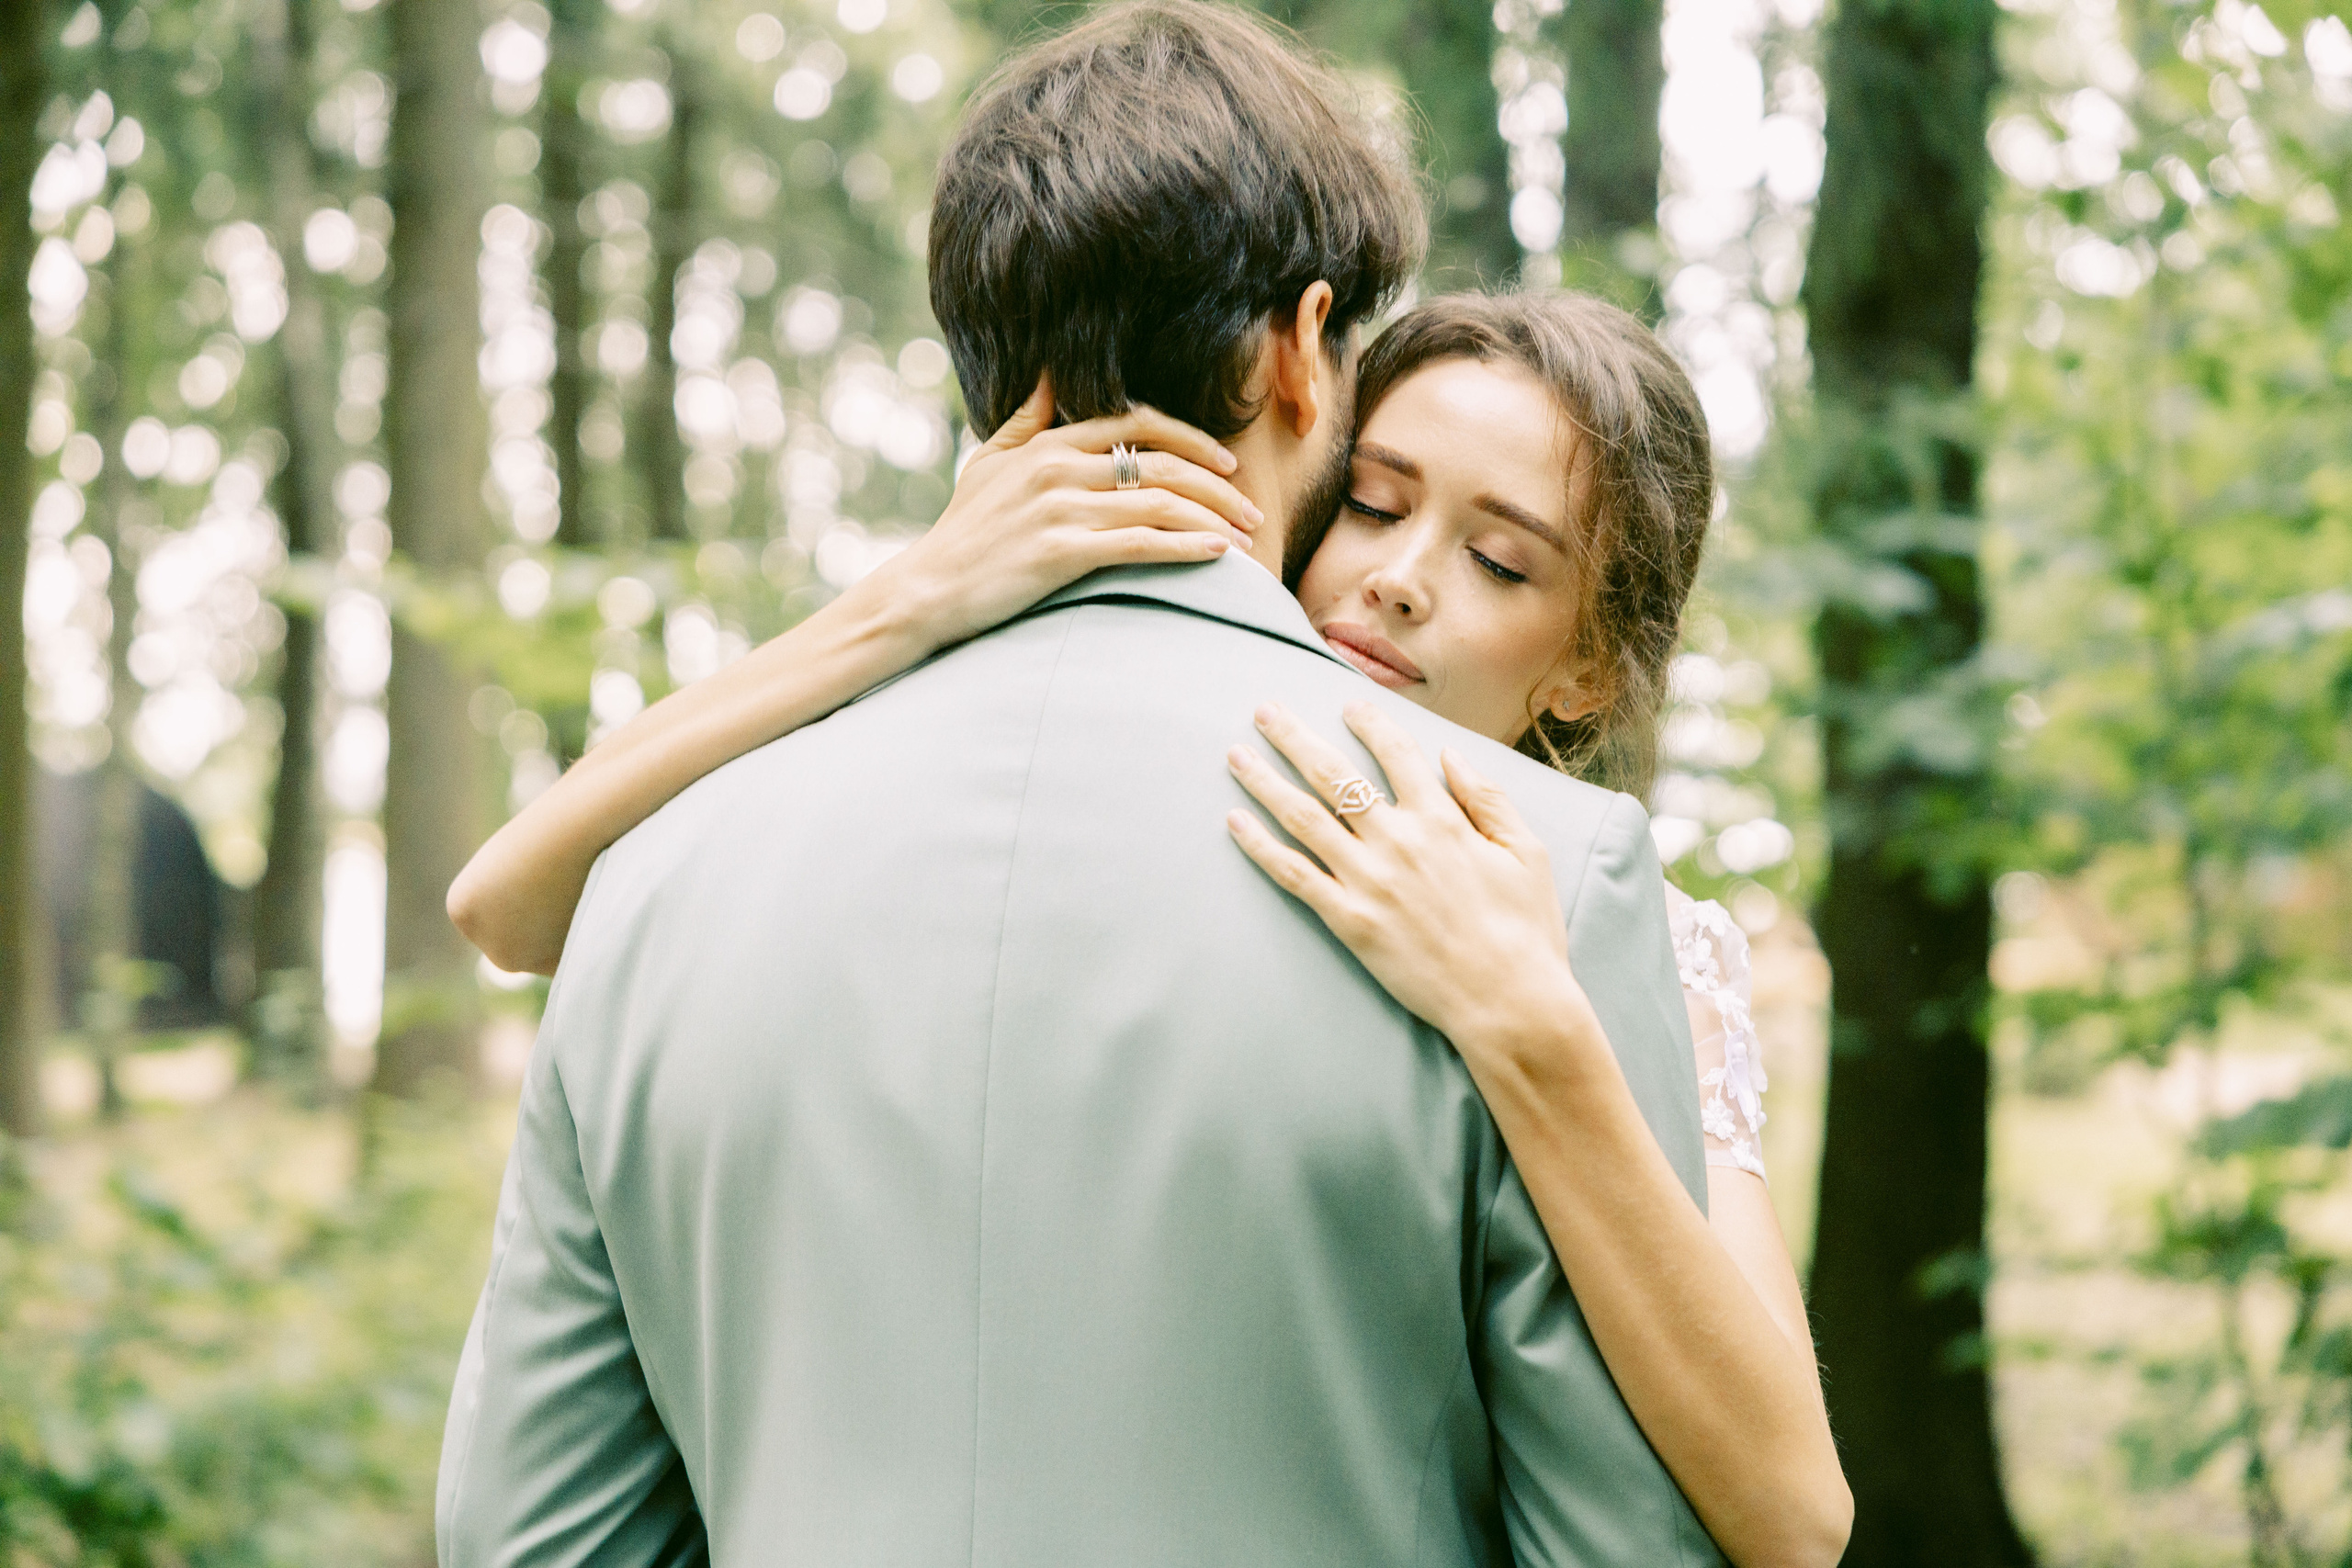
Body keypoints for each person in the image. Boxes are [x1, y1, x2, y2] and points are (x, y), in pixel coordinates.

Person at [436, 5, 1847, 1565]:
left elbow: (536, 1535)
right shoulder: (1553, 882)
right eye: (1377, 505)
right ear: (1308, 354)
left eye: (1501, 557)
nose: (1394, 584)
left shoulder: (648, 877)